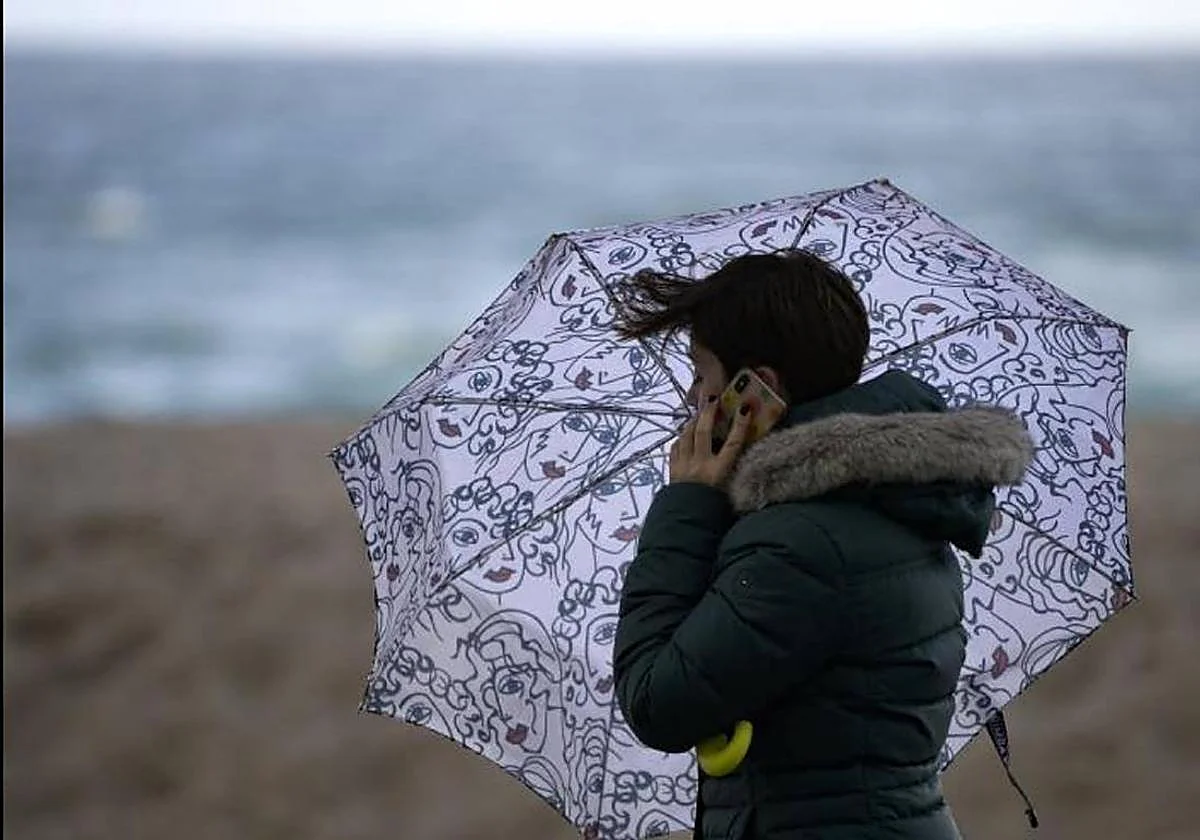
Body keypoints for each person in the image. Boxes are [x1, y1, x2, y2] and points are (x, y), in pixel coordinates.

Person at [611, 250, 1034, 840]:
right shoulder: (888, 496)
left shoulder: (800, 543)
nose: (692, 398)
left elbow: (658, 702)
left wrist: (686, 504)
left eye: (701, 374)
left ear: (756, 389)